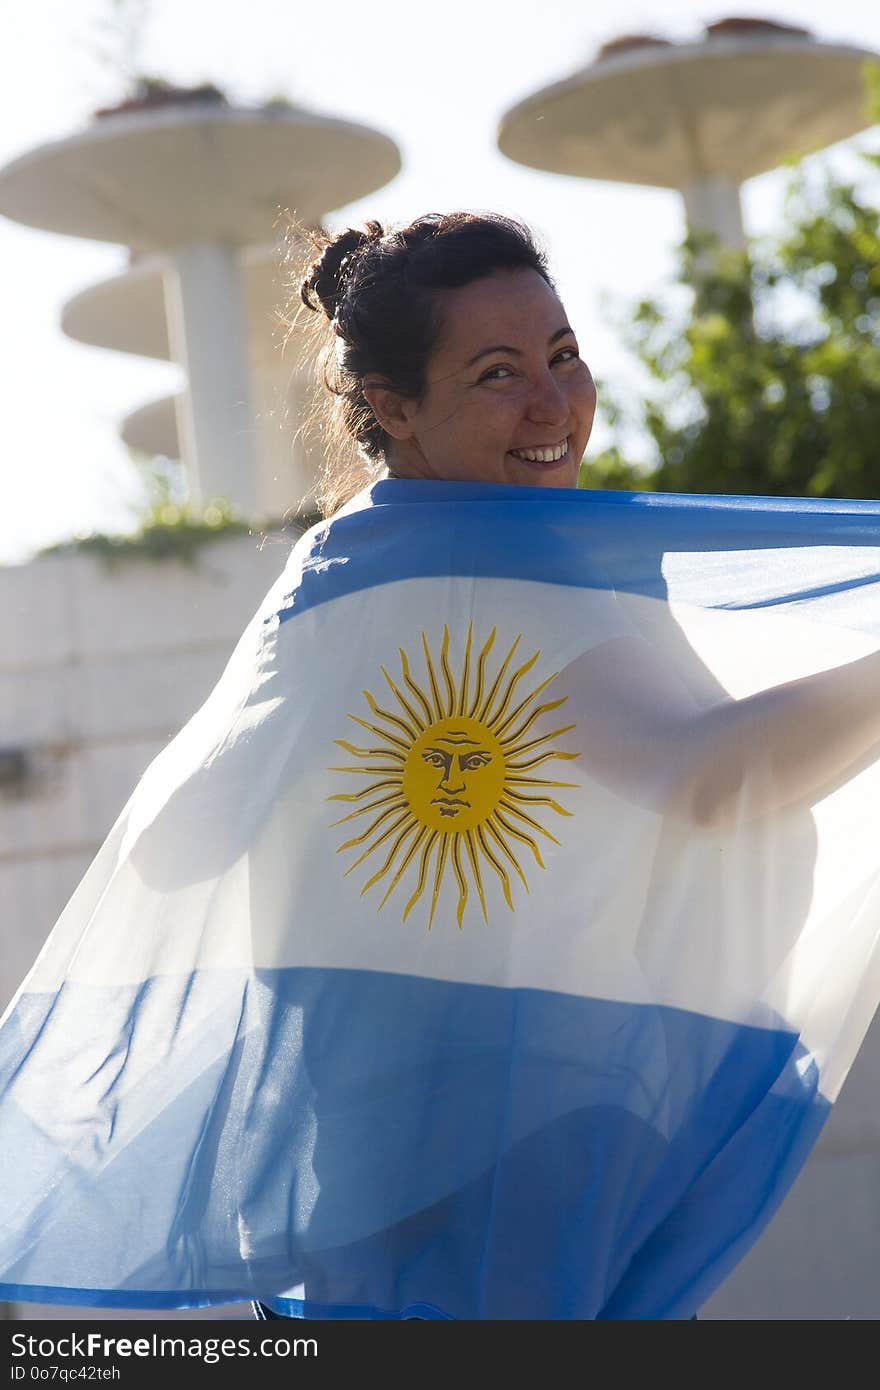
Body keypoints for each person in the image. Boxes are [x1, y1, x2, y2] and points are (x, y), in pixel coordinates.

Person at [3, 211, 880, 1322]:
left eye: (562, 356)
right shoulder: (483, 574)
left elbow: (187, 847)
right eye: (498, 373)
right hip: (498, 1203)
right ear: (392, 406)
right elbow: (707, 783)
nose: (553, 405)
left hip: (383, 1202)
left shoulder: (351, 574)